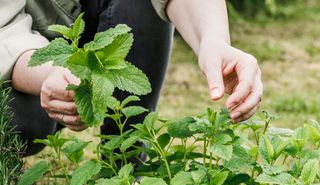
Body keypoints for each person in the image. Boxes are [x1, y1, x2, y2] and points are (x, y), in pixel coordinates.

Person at [0, 0, 263, 156]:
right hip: (20, 60)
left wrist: (213, 39)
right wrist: (50, 76)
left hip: (77, 32)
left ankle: (127, 169)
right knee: (21, 122)